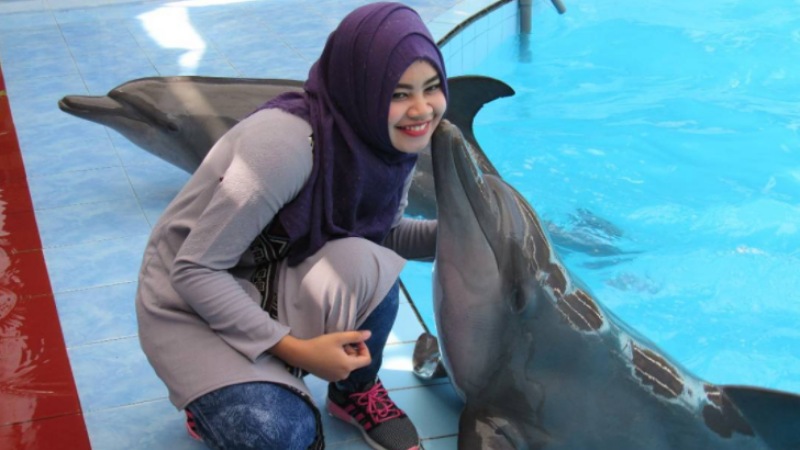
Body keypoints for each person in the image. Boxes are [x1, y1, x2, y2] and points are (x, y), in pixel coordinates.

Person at [134, 2, 448, 449]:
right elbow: (194, 271)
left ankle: (353, 392)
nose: (421, 109)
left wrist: (468, 236)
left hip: (273, 275)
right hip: (188, 304)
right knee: (278, 434)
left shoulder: (386, 144)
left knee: (375, 265)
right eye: (397, 93)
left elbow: (381, 236)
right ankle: (211, 404)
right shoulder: (283, 148)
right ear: (362, 89)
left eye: (431, 87)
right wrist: (298, 352)